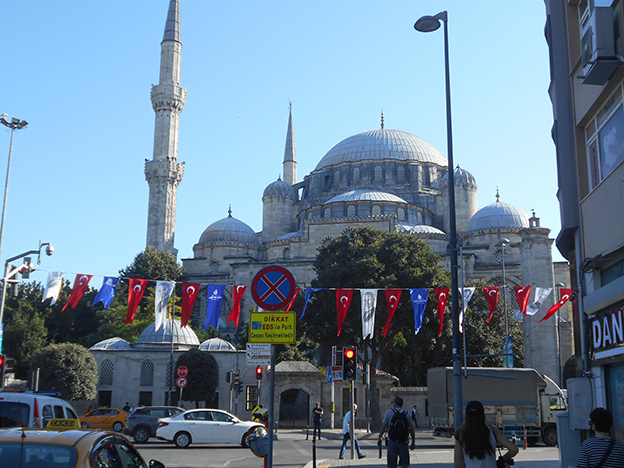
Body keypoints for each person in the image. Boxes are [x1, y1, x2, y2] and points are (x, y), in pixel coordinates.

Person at [454, 400, 518, 468]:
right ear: (483, 415)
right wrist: (503, 459)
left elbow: (458, 464)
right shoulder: (492, 430)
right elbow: (514, 449)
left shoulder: (460, 434)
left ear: (467, 416)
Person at [378, 397, 416, 468]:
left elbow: (383, 426)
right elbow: (411, 429)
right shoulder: (406, 414)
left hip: (392, 440)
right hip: (404, 441)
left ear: (394, 404)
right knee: (404, 464)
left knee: (392, 464)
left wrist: (379, 437)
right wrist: (413, 442)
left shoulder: (389, 412)